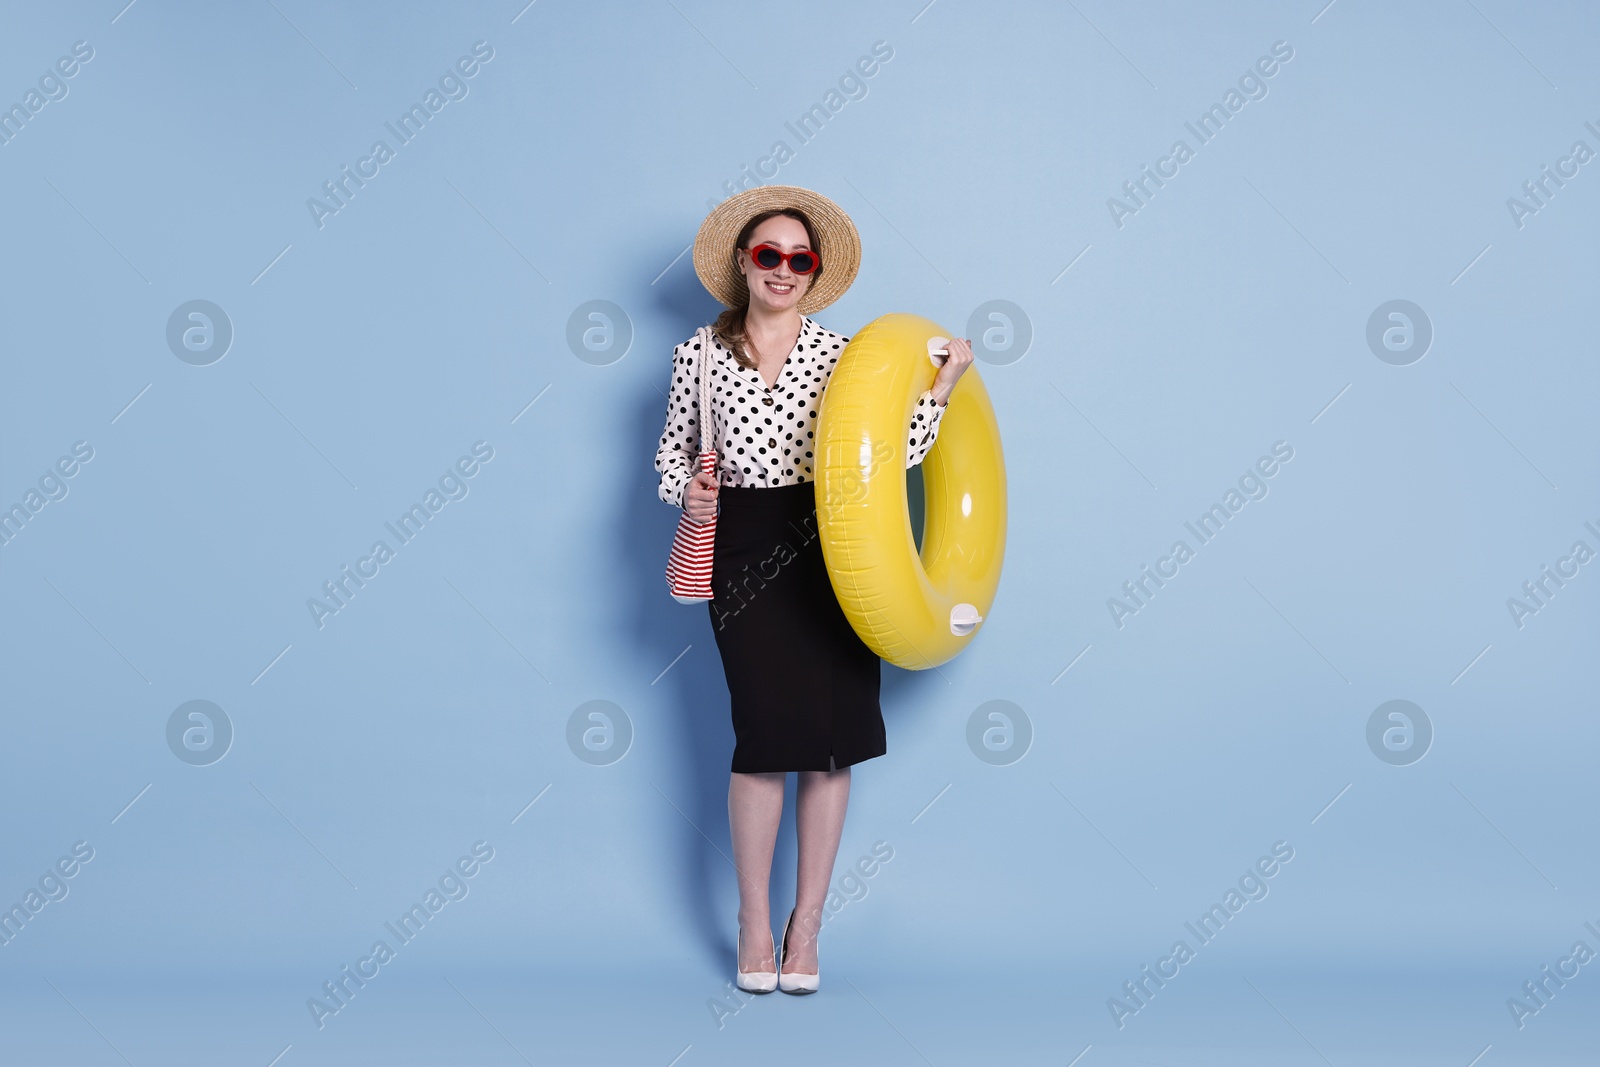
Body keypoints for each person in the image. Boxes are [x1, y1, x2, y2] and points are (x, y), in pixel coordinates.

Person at [654, 185, 973, 994]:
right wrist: (687, 493)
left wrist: (941, 389)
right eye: (770, 255)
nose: (785, 269)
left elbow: (891, 453)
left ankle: (808, 928)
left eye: (801, 258)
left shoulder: (843, 356)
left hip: (835, 543)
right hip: (745, 546)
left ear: (816, 270)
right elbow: (668, 456)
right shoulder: (698, 352)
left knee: (831, 743)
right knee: (763, 739)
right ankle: (754, 923)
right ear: (743, 263)